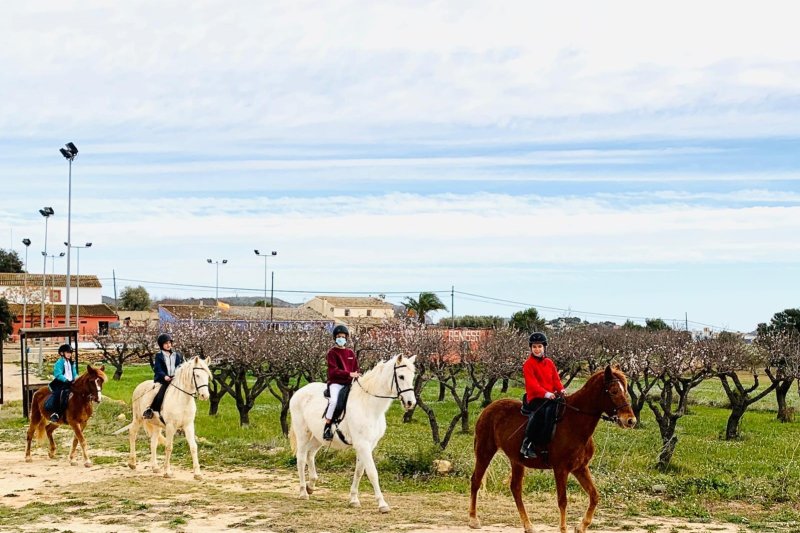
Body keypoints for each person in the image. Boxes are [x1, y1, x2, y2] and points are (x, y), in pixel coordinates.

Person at [520, 332, 565, 459]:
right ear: (531, 348)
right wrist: (546, 393)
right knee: (542, 413)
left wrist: (561, 390)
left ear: (544, 347)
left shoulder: (549, 362)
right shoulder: (528, 364)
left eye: (539, 346)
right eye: (534, 347)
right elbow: (532, 384)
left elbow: (556, 379)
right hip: (535, 397)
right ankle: (527, 443)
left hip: (550, 396)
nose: (537, 349)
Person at [323, 325, 360, 441]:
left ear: (346, 338)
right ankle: (327, 426)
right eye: (338, 337)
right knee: (334, 402)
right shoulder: (332, 353)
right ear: (335, 338)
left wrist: (357, 375)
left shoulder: (350, 353)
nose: (341, 339)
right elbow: (333, 371)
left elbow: (356, 368)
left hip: (349, 383)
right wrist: (348, 374)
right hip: (336, 383)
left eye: (343, 337)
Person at [143, 333, 184, 420]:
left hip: (175, 379)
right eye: (166, 343)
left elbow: (180, 366)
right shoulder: (159, 356)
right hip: (163, 380)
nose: (168, 345)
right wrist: (165, 376)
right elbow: (158, 369)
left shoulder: (177, 355)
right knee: (158, 392)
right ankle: (151, 409)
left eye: (169, 343)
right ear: (161, 345)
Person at [49, 344, 77, 423]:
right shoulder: (59, 362)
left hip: (71, 382)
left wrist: (77, 379)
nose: (69, 354)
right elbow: (58, 374)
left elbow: (74, 373)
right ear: (62, 353)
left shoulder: (71, 363)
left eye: (70, 353)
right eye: (67, 352)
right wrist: (66, 380)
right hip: (61, 383)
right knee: (58, 394)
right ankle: (56, 413)